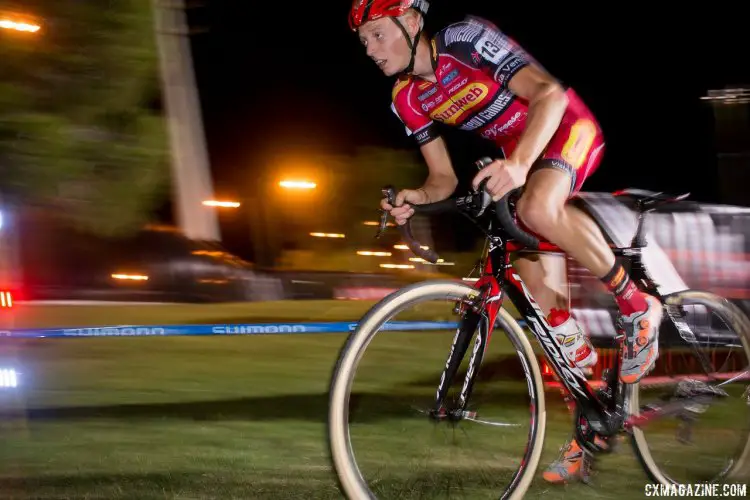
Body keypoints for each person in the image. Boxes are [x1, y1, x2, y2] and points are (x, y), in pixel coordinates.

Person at [349, 0, 663, 484]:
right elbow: (442, 179)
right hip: (521, 160)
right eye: (363, 40)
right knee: (545, 316)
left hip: (563, 128)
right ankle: (593, 423)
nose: (370, 49)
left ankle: (638, 303)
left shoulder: (464, 39)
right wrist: (415, 196)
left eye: (377, 34)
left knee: (536, 208)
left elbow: (550, 94)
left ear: (411, 23)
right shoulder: (406, 98)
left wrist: (517, 166)